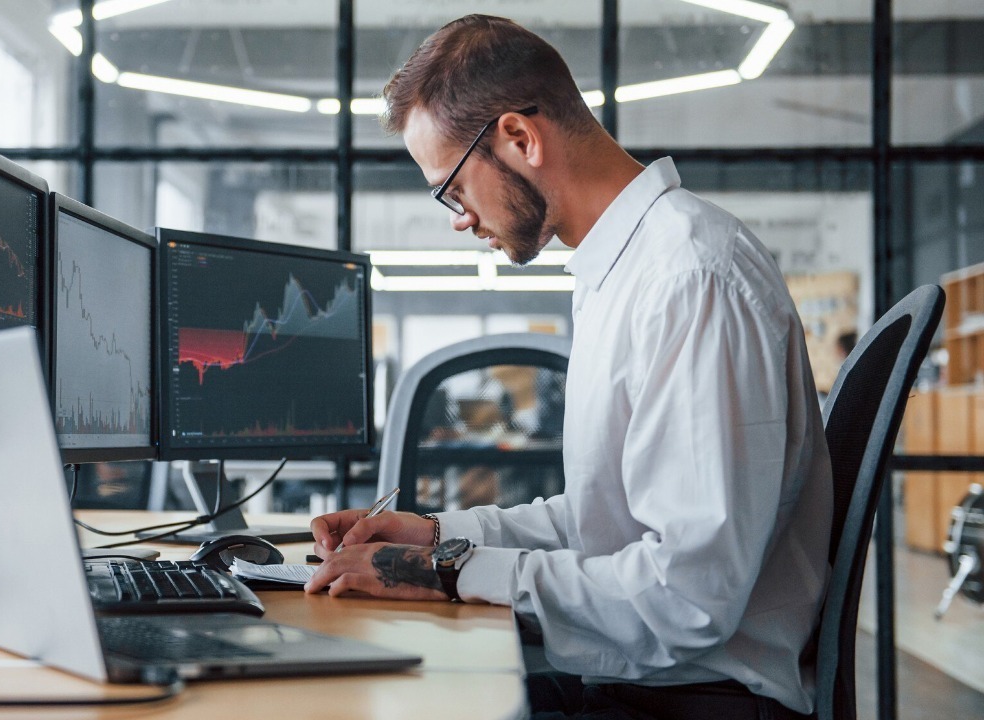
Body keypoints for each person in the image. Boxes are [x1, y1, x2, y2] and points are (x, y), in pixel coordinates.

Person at [304, 14, 833, 720]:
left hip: (698, 700)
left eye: (452, 190)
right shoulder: (625, 272)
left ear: (520, 138)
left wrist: (449, 574)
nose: (458, 220)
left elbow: (686, 596)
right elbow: (602, 523)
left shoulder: (690, 277)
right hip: (648, 681)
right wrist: (434, 536)